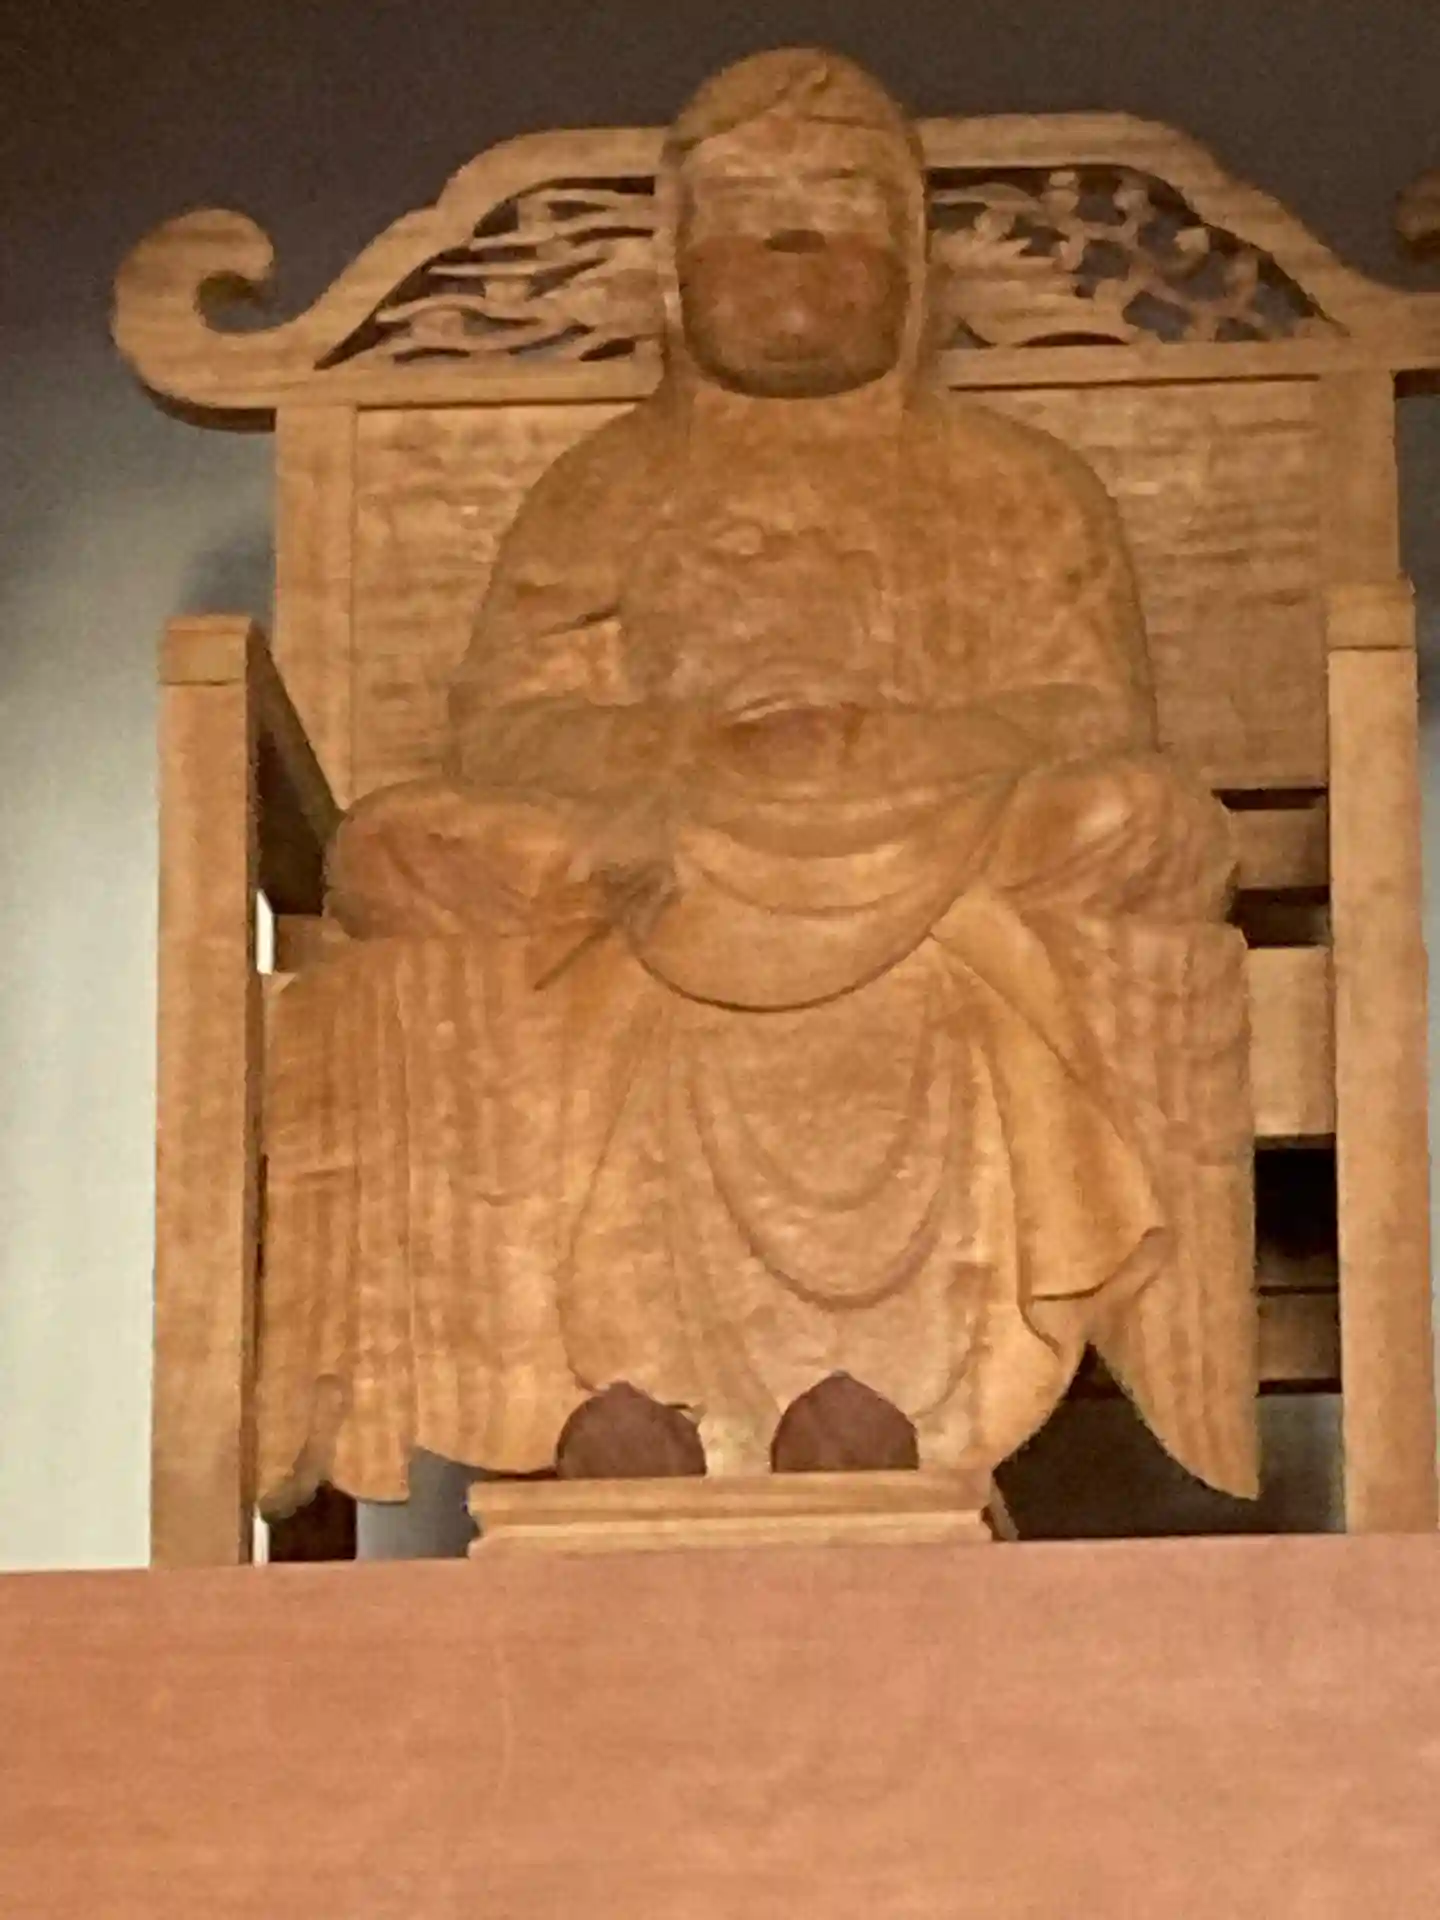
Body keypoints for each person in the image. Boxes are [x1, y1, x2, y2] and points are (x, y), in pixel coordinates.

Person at [257, 49, 1255, 1512]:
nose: (796, 248)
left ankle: (889, 1398)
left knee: (1136, 824)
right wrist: (692, 754)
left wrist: (881, 747)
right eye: (751, 217)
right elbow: (512, 726)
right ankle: (618, 1394)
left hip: (925, 831)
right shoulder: (606, 483)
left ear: (914, 271)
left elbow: (1088, 713)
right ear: (675, 273)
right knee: (403, 850)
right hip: (664, 841)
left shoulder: (1020, 481)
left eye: (840, 210)